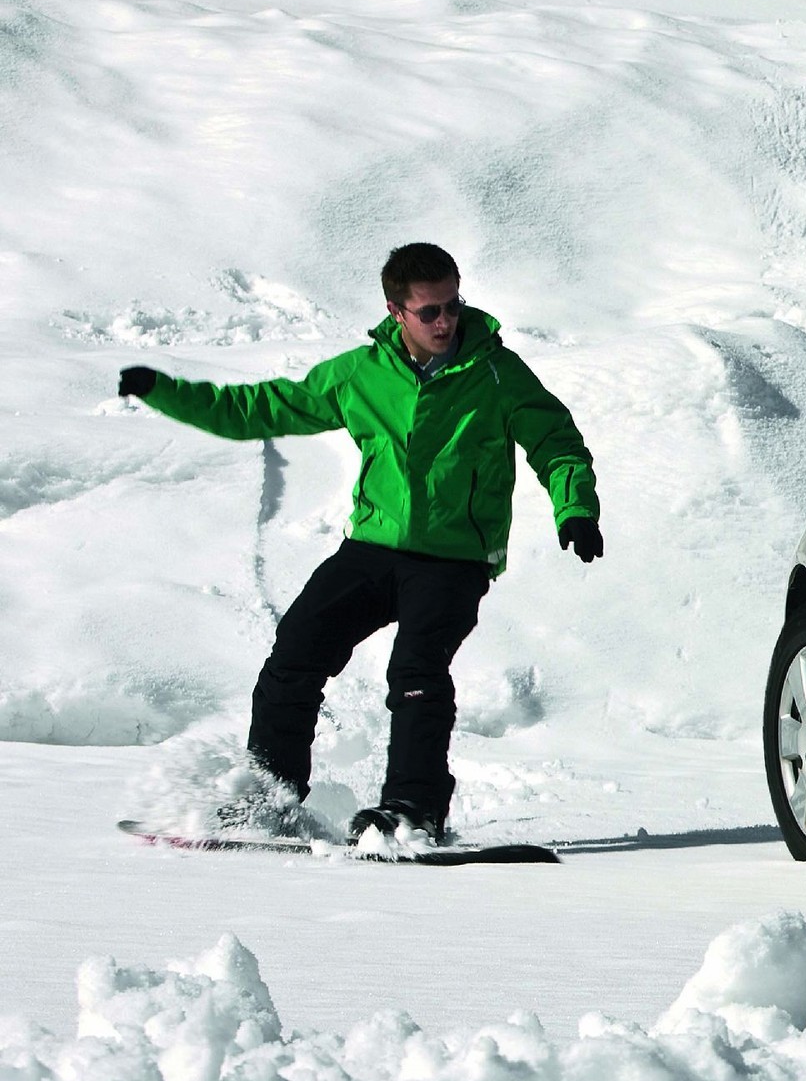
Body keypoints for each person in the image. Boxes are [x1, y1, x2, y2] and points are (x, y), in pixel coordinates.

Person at [120, 243, 601, 845]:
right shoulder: (362, 373)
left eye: (452, 305)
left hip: (454, 557)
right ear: (396, 311)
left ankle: (412, 810)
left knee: (417, 671)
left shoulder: (498, 374)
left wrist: (575, 507)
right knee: (295, 653)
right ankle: (269, 798)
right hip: (373, 547)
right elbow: (261, 408)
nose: (445, 321)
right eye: (429, 311)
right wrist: (165, 391)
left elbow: (556, 443)